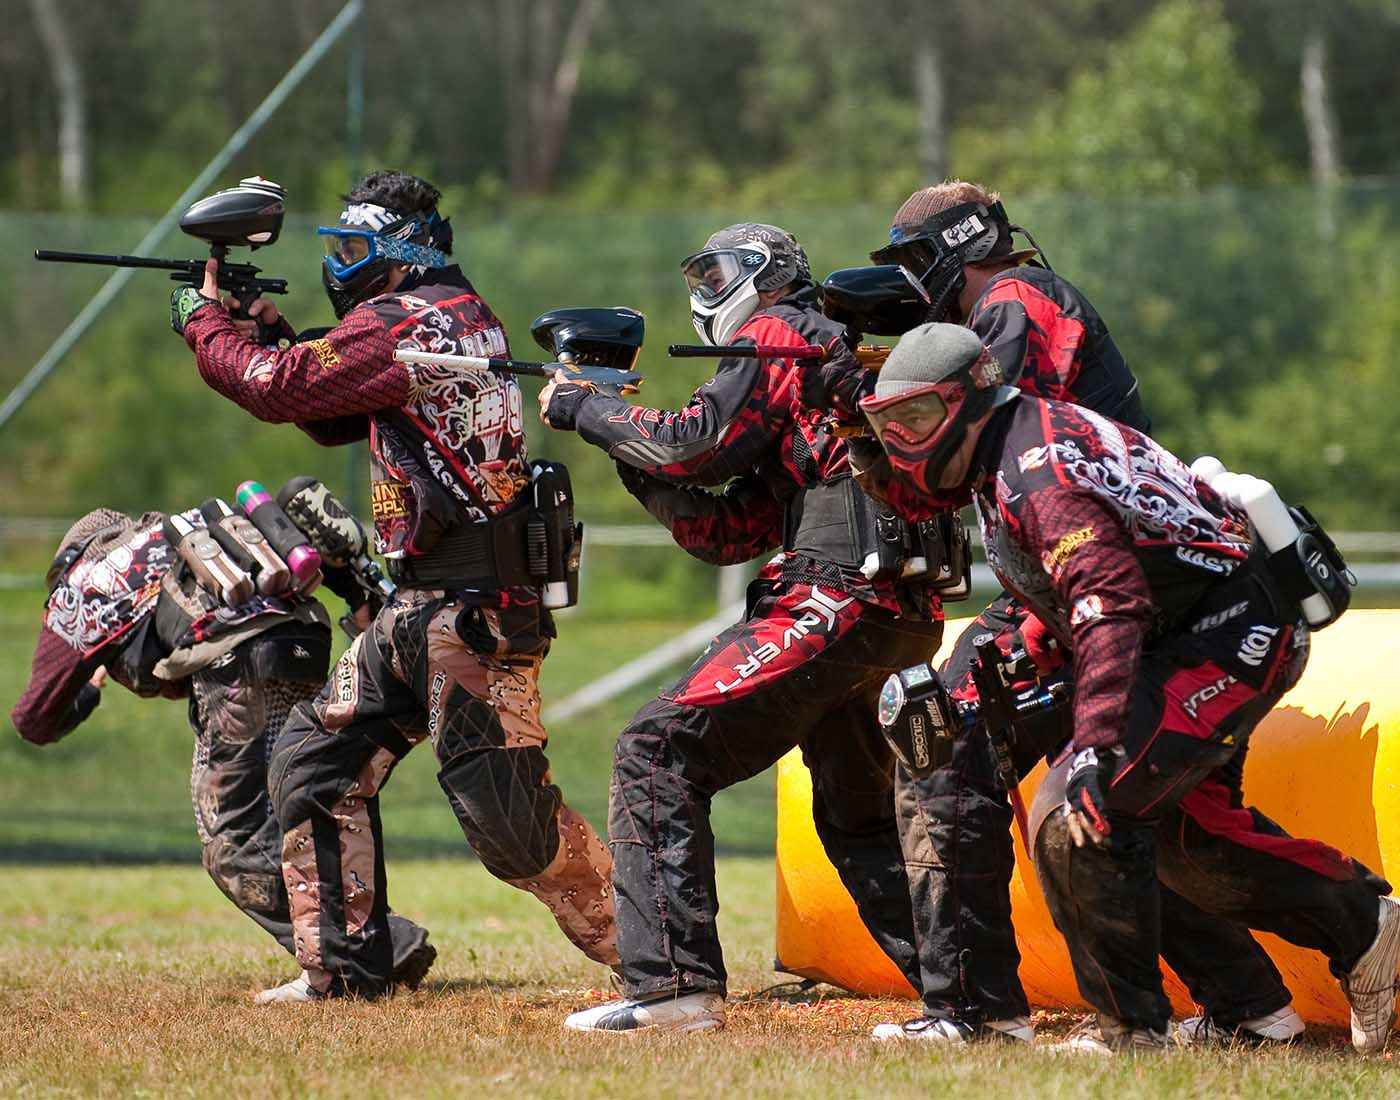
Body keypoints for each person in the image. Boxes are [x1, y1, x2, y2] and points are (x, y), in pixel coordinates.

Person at [809, 180, 1300, 1046]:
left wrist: (872, 388)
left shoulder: (1019, 299)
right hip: (1086, 582)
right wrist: (868, 399)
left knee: (954, 741)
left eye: (915, 264)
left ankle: (977, 1011)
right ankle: (1250, 1008)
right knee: (1113, 811)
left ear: (950, 252)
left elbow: (966, 427)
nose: (913, 284)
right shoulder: (1018, 300)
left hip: (1101, 581)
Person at [851, 320, 1398, 1054]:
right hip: (1191, 632)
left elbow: (1110, 600)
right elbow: (1106, 567)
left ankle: (1132, 1033)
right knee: (1187, 840)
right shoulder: (1013, 441)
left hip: (1230, 634)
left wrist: (1094, 745)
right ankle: (1369, 928)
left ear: (970, 401)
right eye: (889, 427)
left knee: (1078, 812)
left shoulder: (1034, 472)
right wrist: (1044, 645)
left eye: (916, 420)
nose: (901, 445)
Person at [171, 170, 618, 1001]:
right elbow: (333, 406)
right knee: (313, 760)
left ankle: (660, 959)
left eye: (353, 250)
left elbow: (277, 389)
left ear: (403, 254)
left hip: (474, 613)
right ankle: (345, 969)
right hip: (417, 610)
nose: (340, 265)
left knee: (509, 823)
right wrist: (274, 333)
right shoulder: (439, 315)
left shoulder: (409, 319)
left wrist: (205, 325)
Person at [539, 223, 946, 1033]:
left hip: (838, 593)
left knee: (657, 752)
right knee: (857, 814)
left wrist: (592, 407)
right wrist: (623, 440)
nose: (705, 289)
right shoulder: (810, 369)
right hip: (891, 606)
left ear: (768, 276)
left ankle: (673, 990)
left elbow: (696, 444)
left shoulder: (779, 332)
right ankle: (968, 997)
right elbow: (723, 531)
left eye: (720, 271)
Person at [9, 504, 436, 996]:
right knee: (288, 812)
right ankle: (370, 942)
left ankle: (372, 951)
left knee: (233, 843)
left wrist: (90, 689)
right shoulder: (175, 532)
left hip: (235, 665)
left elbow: (35, 718)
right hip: (304, 643)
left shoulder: (82, 585)